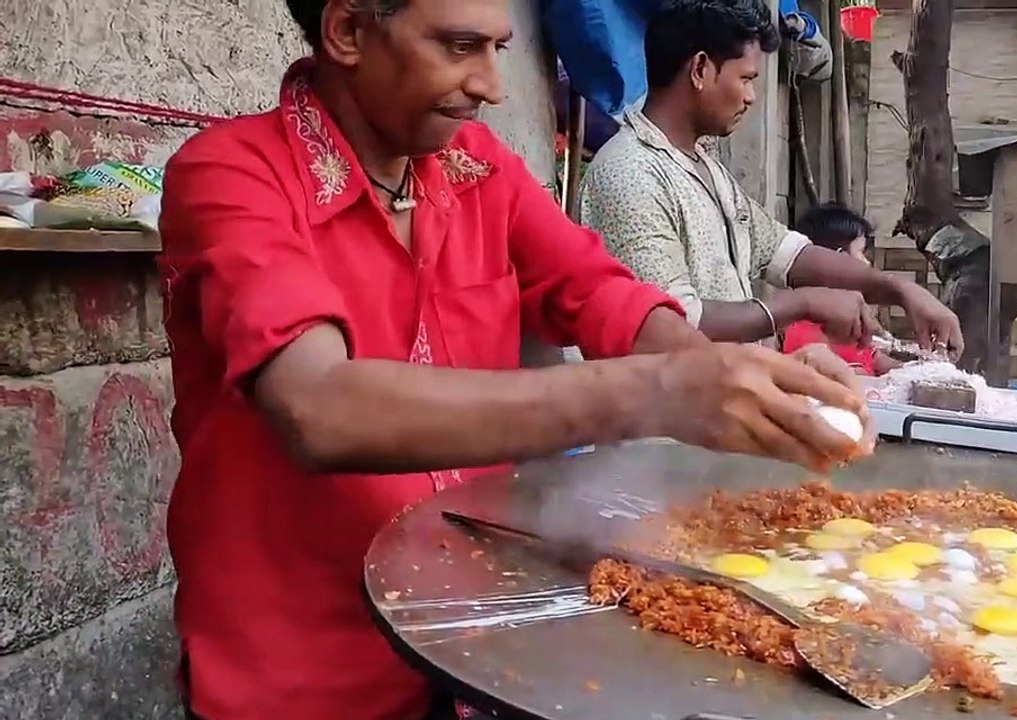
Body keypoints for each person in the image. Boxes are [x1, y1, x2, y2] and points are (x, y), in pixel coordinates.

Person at [157, 1, 874, 718]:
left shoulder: (478, 169)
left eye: (499, 47)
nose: (492, 86)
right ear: (347, 31)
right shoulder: (231, 175)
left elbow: (600, 293)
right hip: (306, 677)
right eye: (461, 47)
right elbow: (317, 407)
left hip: (479, 649)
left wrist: (739, 382)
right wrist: (661, 390)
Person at [580, 0, 962, 355]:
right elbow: (675, 320)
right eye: (746, 79)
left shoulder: (705, 167)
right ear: (699, 70)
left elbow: (788, 253)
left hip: (720, 414)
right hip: (661, 425)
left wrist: (898, 288)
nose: (751, 96)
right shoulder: (631, 174)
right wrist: (804, 303)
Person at [782, 203, 904, 376]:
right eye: (861, 252)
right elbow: (828, 378)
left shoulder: (848, 318)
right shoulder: (806, 327)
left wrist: (918, 370)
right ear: (839, 257)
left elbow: (875, 359)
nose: (867, 262)